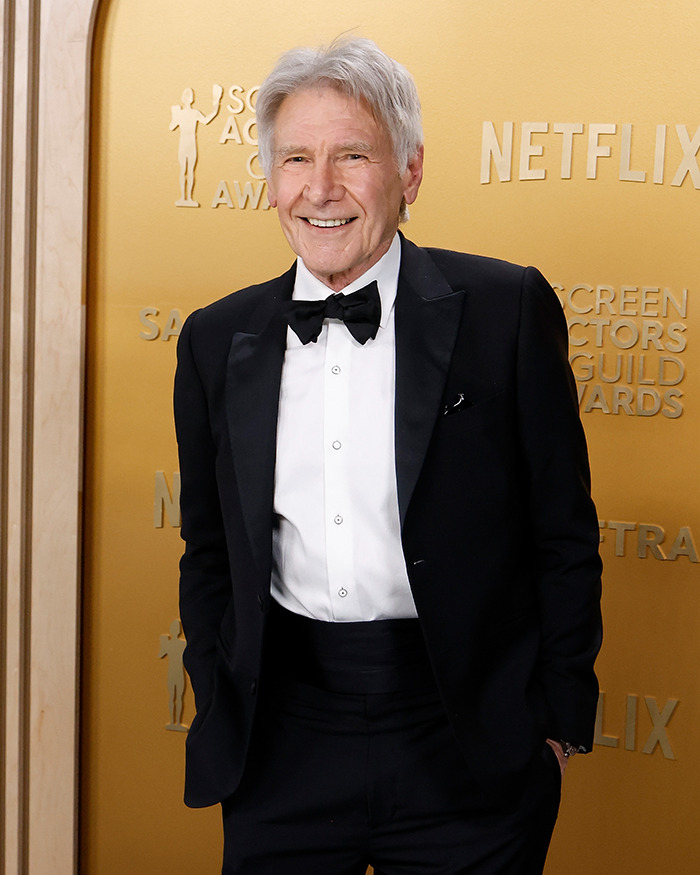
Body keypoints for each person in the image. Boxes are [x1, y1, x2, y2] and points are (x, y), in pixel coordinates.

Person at [174, 37, 603, 875]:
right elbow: (210, 551)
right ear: (271, 179)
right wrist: (220, 692)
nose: (320, 188)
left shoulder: (506, 311)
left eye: (352, 156)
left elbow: (564, 533)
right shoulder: (215, 338)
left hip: (468, 743)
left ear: (408, 173)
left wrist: (551, 725)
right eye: (296, 157)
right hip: (283, 744)